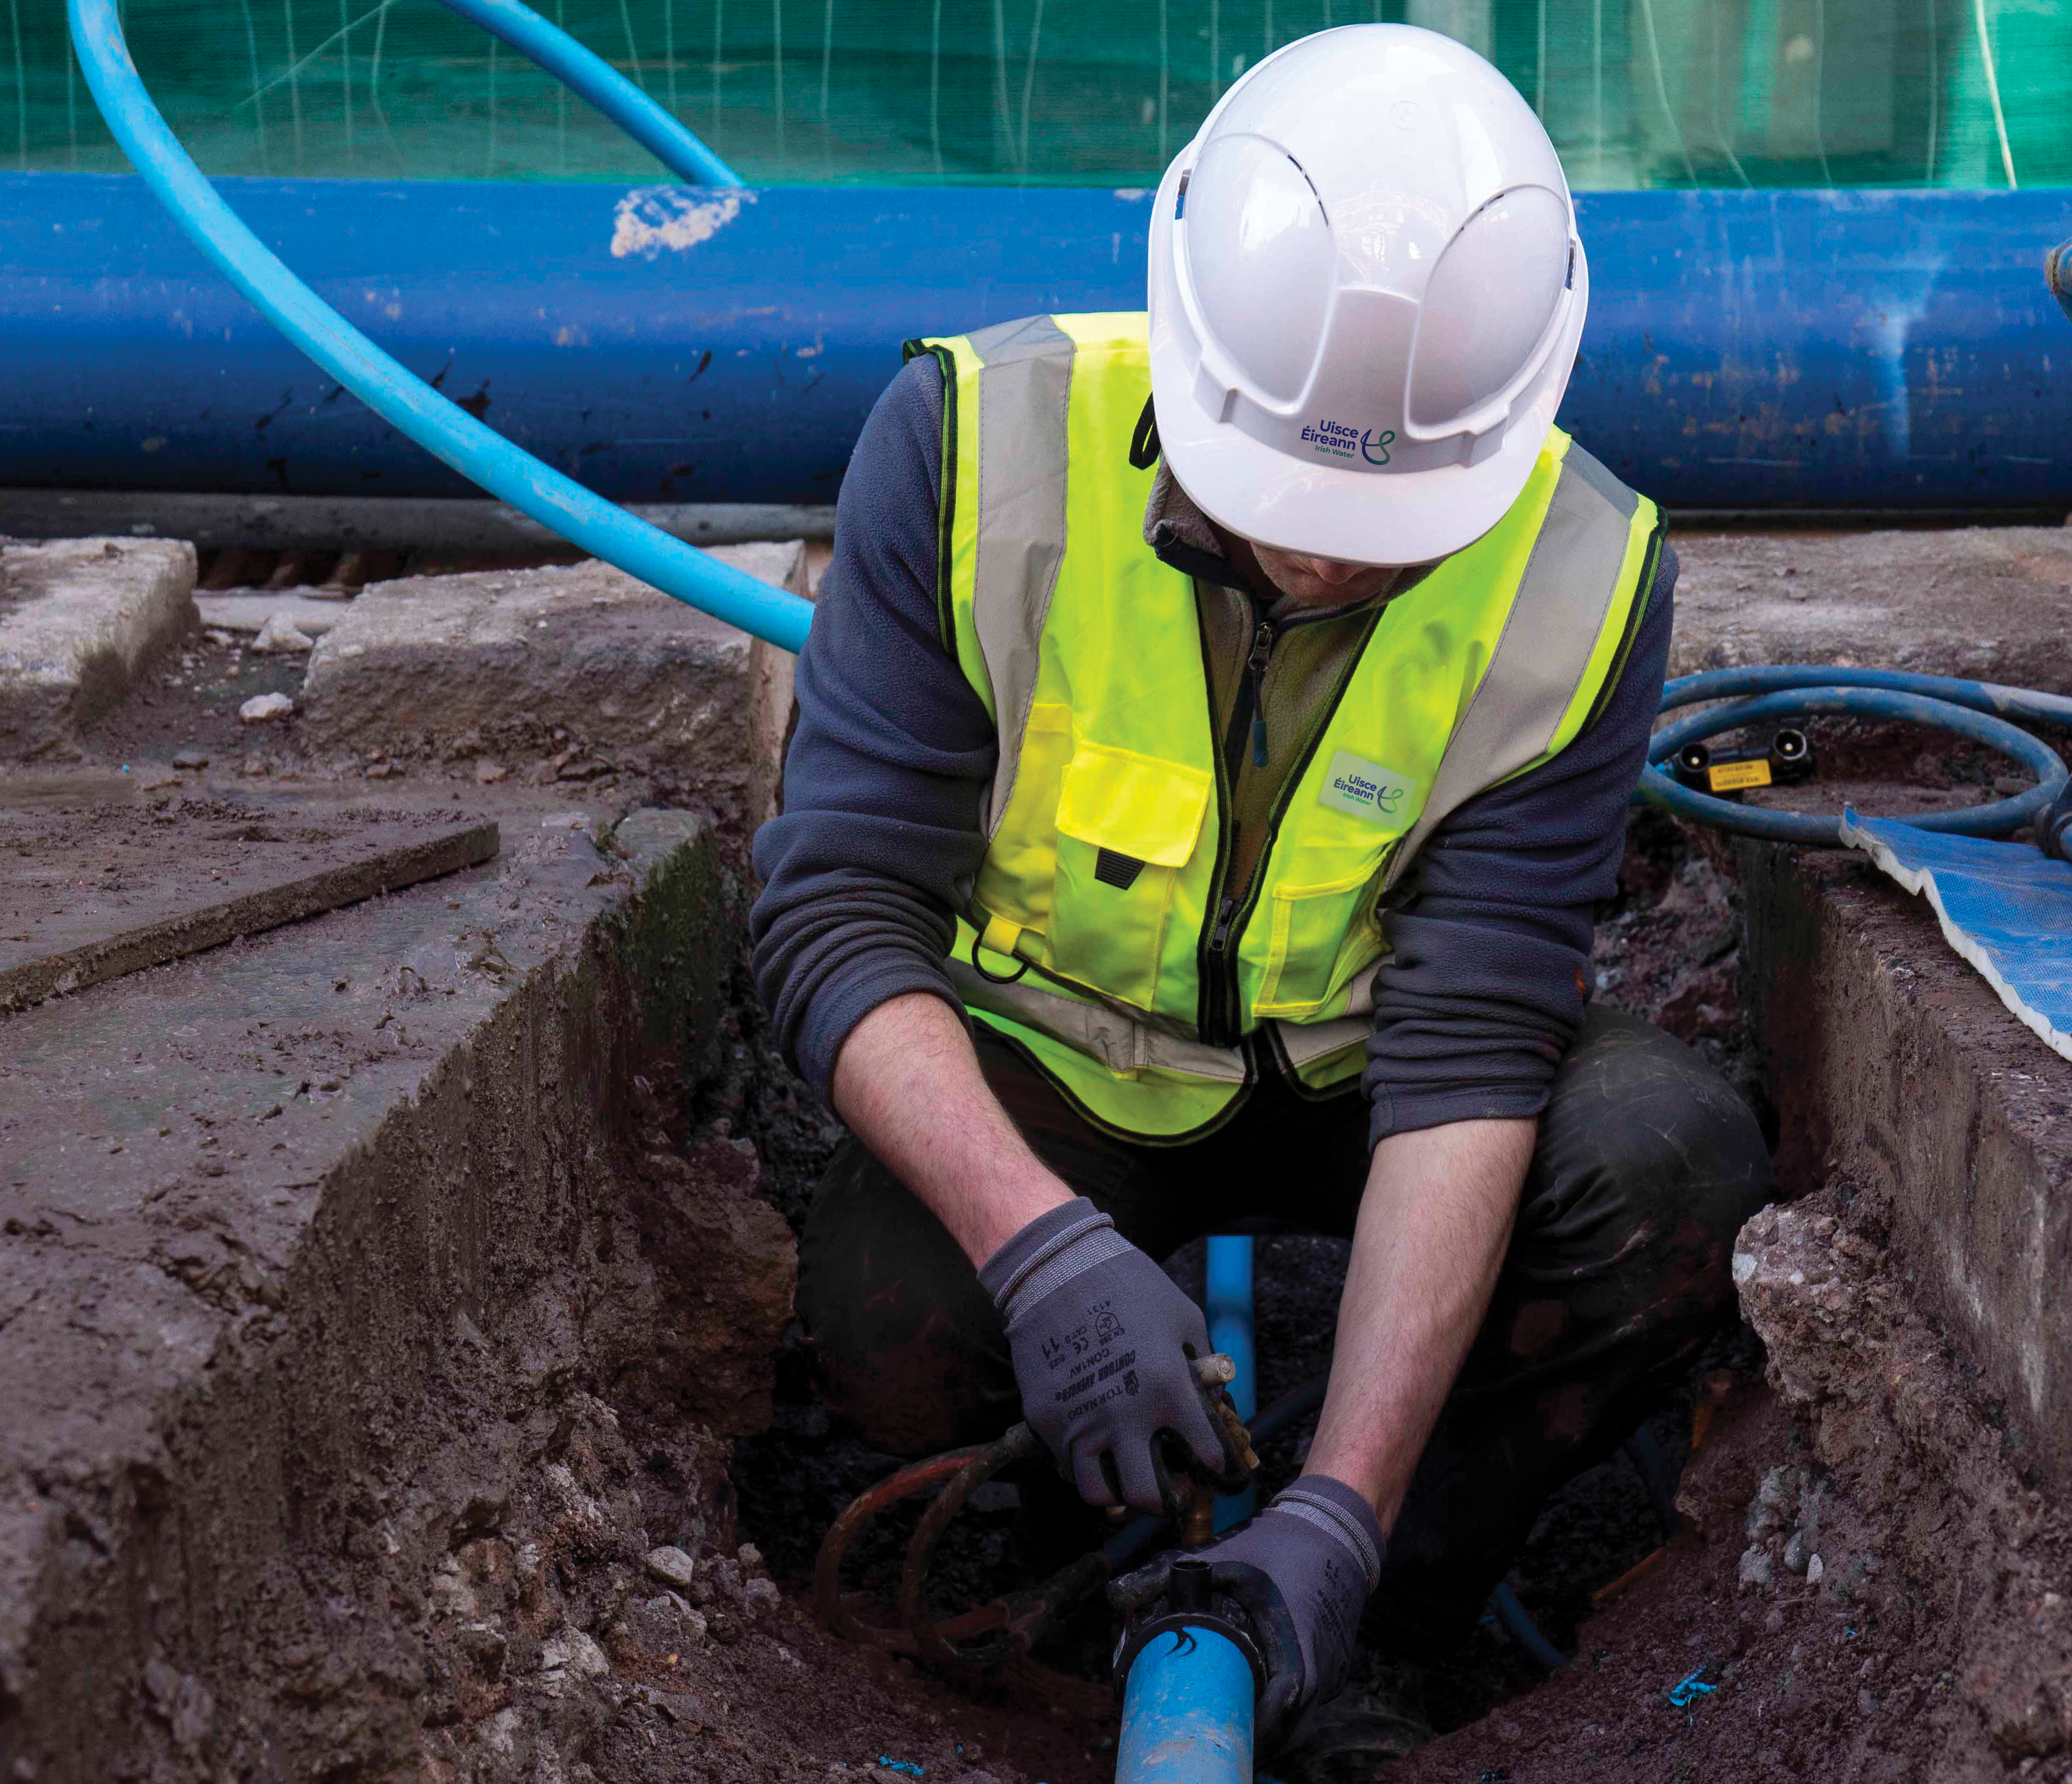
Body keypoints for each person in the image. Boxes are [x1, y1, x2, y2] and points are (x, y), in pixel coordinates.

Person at [749, 25, 1775, 1777]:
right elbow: (833, 911)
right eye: (1294, 498)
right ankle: (1077, 1567)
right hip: (1054, 1080)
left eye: (1387, 526)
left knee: (1660, 1166)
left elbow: (1473, 1041)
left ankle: (1368, 1610)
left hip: (1371, 1088)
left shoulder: (1583, 577)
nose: (1323, 557)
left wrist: (1344, 1515)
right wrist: (1045, 1250)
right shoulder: (978, 446)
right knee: (885, 1316)